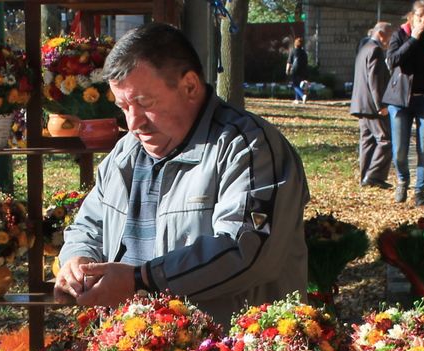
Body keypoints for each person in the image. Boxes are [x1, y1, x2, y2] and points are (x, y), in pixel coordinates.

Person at [54, 22, 309, 325]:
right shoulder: (125, 153)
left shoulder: (248, 148)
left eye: (144, 103)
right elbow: (89, 225)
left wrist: (142, 279)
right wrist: (76, 261)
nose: (134, 123)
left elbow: (247, 250)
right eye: (123, 106)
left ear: (190, 86)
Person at [383, 0, 424, 205]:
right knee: (400, 149)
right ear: (412, 15)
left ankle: (420, 191)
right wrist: (413, 38)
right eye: (420, 16)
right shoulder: (400, 35)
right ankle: (402, 180)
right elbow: (392, 61)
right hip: (400, 100)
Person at [351, 22, 394, 190]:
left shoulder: (364, 47)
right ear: (382, 35)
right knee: (386, 140)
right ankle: (373, 176)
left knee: (367, 141)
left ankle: (365, 176)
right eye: (390, 37)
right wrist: (381, 105)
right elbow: (374, 80)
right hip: (371, 104)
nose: (390, 41)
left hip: (360, 103)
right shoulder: (375, 50)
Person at [286, 37, 309, 104]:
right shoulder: (304, 52)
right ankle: (297, 99)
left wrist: (287, 70)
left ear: (295, 44)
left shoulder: (293, 51)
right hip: (303, 70)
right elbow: (306, 62)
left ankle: (302, 96)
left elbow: (289, 62)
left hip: (295, 70)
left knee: (295, 85)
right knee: (299, 84)